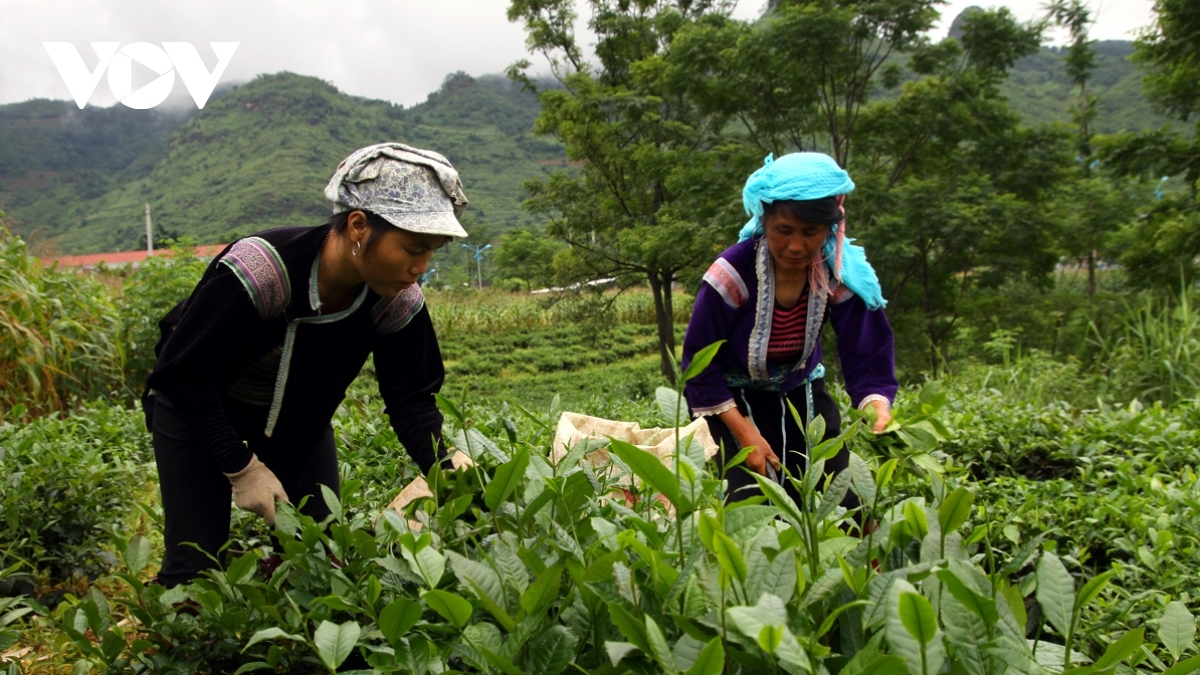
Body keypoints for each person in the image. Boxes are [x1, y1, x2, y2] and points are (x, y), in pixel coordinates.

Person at [143, 143, 467, 587]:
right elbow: (183, 374)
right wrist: (241, 467)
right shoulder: (262, 270)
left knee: (319, 558)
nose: (421, 268)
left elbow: (411, 400)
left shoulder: (396, 299)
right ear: (358, 225)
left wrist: (447, 469)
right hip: (198, 407)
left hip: (298, 420)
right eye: (413, 249)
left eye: (432, 252)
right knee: (194, 570)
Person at [681, 152, 897, 507]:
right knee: (751, 501)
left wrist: (874, 400)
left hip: (801, 390)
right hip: (728, 401)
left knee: (844, 499)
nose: (796, 246)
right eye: (783, 230)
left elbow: (866, 346)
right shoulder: (732, 274)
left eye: (811, 232)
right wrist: (745, 434)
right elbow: (698, 364)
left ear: (830, 228)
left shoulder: (837, 271)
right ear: (764, 220)